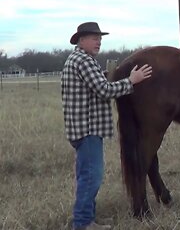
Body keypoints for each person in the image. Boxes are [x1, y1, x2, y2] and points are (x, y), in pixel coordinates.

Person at [62, 22, 152, 230]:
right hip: (87, 129)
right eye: (94, 38)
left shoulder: (79, 59)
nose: (99, 41)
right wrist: (132, 80)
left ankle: (86, 218)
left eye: (100, 38)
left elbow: (95, 85)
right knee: (91, 177)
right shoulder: (83, 61)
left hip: (83, 128)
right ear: (81, 40)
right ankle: (83, 223)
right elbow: (103, 90)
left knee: (88, 175)